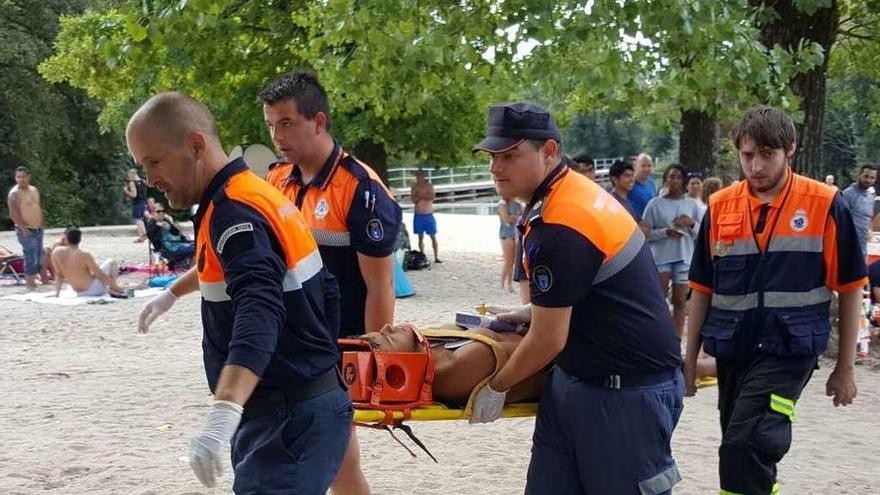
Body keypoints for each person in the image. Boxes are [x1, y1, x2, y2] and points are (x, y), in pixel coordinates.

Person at [127, 92, 350, 493]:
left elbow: (258, 309)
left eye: (153, 162)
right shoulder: (249, 193)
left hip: (287, 415)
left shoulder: (235, 213)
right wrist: (173, 293)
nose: (149, 180)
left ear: (195, 145)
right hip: (301, 404)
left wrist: (224, 410)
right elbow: (234, 267)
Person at [469, 102, 684, 494]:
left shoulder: (561, 220)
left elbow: (550, 339)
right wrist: (533, 311)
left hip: (625, 394)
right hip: (578, 382)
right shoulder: (568, 194)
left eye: (510, 155)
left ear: (548, 151)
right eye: (492, 156)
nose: (495, 167)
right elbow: (594, 289)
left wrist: (496, 386)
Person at [684, 106, 865, 495]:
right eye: (747, 155)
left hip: (789, 349)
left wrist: (845, 368)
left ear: (791, 149)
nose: (756, 166)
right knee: (738, 449)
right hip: (734, 347)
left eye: (768, 154)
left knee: (747, 444)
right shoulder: (719, 206)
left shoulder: (826, 203)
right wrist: (688, 361)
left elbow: (850, 287)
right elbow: (701, 289)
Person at [357, 323, 545, 404]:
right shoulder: (451, 372)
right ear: (397, 369)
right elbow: (543, 350)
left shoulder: (427, 346)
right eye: (389, 338)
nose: (388, 326)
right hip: (560, 360)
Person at [642, 164, 702, 337]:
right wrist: (665, 232)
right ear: (666, 179)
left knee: (680, 300)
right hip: (661, 257)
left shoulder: (691, 204)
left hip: (684, 256)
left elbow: (703, 233)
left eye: (677, 177)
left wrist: (690, 223)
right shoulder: (654, 204)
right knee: (659, 300)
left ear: (683, 180)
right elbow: (645, 233)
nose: (674, 180)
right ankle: (658, 335)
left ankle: (676, 338)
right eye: (671, 176)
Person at [50, 227, 127, 297]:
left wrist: (57, 293)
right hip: (93, 290)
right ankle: (113, 288)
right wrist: (117, 287)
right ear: (80, 239)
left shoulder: (56, 252)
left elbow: (58, 274)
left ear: (66, 239)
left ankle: (113, 287)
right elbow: (100, 275)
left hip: (78, 292)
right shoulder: (84, 254)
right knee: (111, 261)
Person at [7, 166, 46, 289]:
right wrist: (23, 228)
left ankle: (42, 278)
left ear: (29, 177)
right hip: (26, 229)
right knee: (30, 256)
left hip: (38, 228)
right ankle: (30, 283)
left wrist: (42, 222)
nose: (21, 179)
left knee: (40, 254)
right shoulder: (14, 193)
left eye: (23, 176)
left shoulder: (34, 189)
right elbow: (13, 213)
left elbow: (37, 206)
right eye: (18, 177)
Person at [841, 164, 877, 258]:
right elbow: (840, 219)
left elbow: (868, 218)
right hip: (848, 246)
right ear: (859, 175)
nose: (868, 180)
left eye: (872, 177)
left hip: (863, 246)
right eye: (866, 176)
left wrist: (869, 230)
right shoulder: (848, 194)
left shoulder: (870, 197)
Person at [411, 170, 441, 263]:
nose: (418, 178)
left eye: (420, 176)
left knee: (433, 236)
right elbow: (413, 199)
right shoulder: (414, 186)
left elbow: (431, 197)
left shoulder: (429, 186)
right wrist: (421, 196)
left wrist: (421, 195)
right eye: (417, 176)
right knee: (420, 237)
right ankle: (422, 255)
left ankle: (436, 256)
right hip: (418, 214)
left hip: (428, 214)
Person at [498, 197, 523, 292]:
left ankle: (506, 283)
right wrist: (516, 217)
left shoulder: (518, 204)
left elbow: (523, 217)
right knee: (508, 260)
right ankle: (506, 283)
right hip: (506, 234)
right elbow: (506, 218)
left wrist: (513, 217)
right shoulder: (502, 203)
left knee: (513, 260)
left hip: (516, 233)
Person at [627, 152, 657, 220]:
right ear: (635, 166)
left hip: (649, 224)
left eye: (649, 165)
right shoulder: (630, 183)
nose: (646, 169)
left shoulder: (651, 183)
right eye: (643, 166)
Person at [125, 168, 149, 242]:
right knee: (142, 219)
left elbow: (134, 195)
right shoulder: (144, 181)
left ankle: (144, 235)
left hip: (137, 203)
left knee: (138, 219)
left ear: (133, 174)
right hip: (144, 203)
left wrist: (126, 191)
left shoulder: (132, 183)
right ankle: (142, 237)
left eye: (129, 175)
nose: (128, 177)